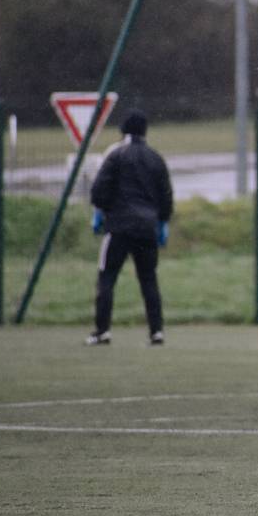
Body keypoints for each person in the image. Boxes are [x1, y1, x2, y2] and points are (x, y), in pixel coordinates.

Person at [86, 109, 174, 346]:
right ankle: (156, 331)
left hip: (119, 227)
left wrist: (101, 213)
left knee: (107, 277)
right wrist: (162, 221)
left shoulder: (116, 155)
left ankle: (102, 330)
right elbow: (166, 195)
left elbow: (99, 190)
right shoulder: (156, 158)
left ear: (123, 130)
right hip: (147, 228)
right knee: (148, 279)